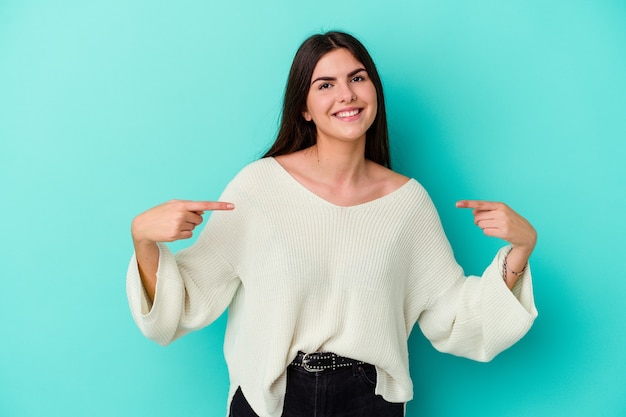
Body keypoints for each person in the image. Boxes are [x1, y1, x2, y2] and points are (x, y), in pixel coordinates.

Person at [127, 31, 538, 417]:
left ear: (374, 90)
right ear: (303, 107)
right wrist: (143, 240)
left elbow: (455, 318)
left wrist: (520, 250)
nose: (346, 94)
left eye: (357, 78)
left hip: (369, 399)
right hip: (272, 400)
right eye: (325, 84)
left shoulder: (408, 203)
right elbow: (185, 301)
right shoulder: (259, 186)